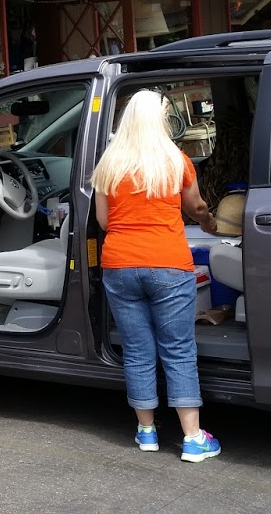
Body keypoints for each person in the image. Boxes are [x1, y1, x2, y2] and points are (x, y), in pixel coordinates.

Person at [91, 88, 220, 463]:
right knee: (178, 350)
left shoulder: (108, 164)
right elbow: (195, 207)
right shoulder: (176, 160)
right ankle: (193, 439)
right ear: (160, 119)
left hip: (119, 264)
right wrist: (208, 220)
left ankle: (146, 431)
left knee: (137, 350)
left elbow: (103, 221)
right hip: (168, 263)